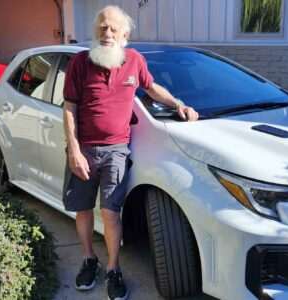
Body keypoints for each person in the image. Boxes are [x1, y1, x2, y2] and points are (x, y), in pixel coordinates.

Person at [62, 5, 199, 300]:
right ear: (95, 30)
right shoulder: (80, 62)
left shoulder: (134, 61)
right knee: (82, 209)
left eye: (113, 28)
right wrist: (73, 149)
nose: (106, 33)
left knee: (110, 213)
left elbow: (152, 89)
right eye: (101, 27)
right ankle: (89, 260)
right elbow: (70, 107)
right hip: (83, 148)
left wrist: (178, 105)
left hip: (116, 151)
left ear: (124, 35)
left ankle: (113, 268)